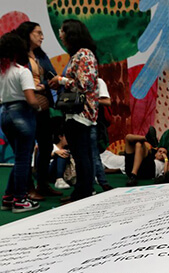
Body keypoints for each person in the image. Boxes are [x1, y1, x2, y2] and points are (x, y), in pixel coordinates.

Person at [48, 19, 98, 203]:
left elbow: (86, 84)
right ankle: (83, 191)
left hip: (81, 113)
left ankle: (82, 193)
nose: (61, 36)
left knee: (81, 153)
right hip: (78, 113)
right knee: (80, 153)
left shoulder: (83, 54)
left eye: (63, 33)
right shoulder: (80, 54)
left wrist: (61, 80)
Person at [16, 21, 61, 200]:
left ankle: (42, 184)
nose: (42, 36)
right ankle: (28, 188)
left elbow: (52, 75)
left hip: (43, 107)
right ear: (27, 34)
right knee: (26, 149)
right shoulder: (17, 56)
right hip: (25, 107)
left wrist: (45, 84)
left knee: (46, 145)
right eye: (38, 33)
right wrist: (37, 87)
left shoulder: (41, 56)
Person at [0, 32, 41, 213]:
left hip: (5, 114)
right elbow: (31, 100)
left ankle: (9, 196)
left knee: (19, 158)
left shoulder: (2, 72)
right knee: (24, 159)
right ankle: (20, 200)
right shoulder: (22, 71)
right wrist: (38, 107)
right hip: (22, 115)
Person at [90, 78, 112, 191]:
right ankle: (101, 182)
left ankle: (98, 183)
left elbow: (107, 101)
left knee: (93, 153)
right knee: (91, 154)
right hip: (79, 122)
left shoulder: (98, 81)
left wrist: (90, 99)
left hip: (94, 122)